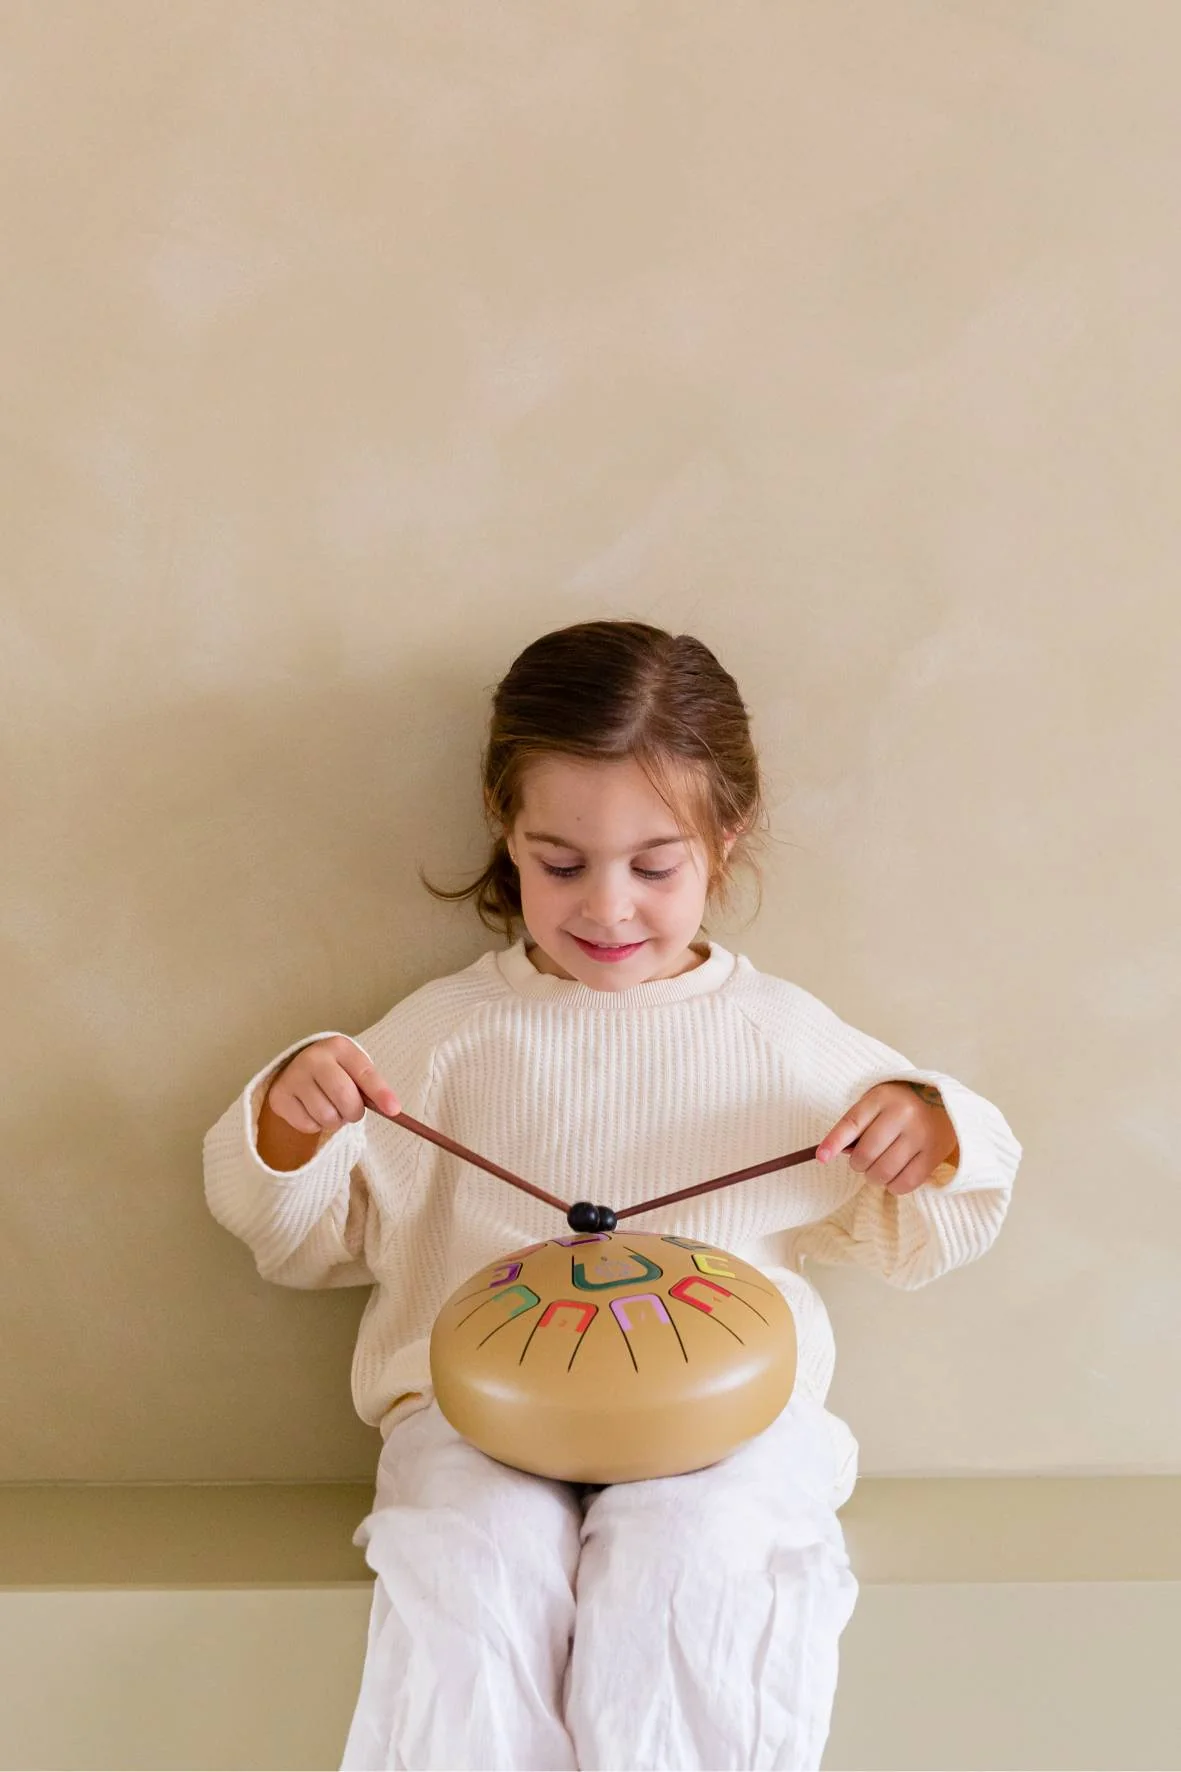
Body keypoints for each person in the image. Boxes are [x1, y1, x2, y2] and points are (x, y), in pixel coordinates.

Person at [203, 619, 1021, 1772]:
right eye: (560, 861)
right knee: (468, 1563)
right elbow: (301, 1236)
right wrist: (290, 1117)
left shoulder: (775, 1037)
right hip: (479, 1422)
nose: (608, 907)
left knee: (691, 1558)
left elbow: (930, 1229)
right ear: (505, 828)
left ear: (722, 839)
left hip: (726, 1429)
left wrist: (928, 1130)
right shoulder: (446, 1034)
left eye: (653, 865)